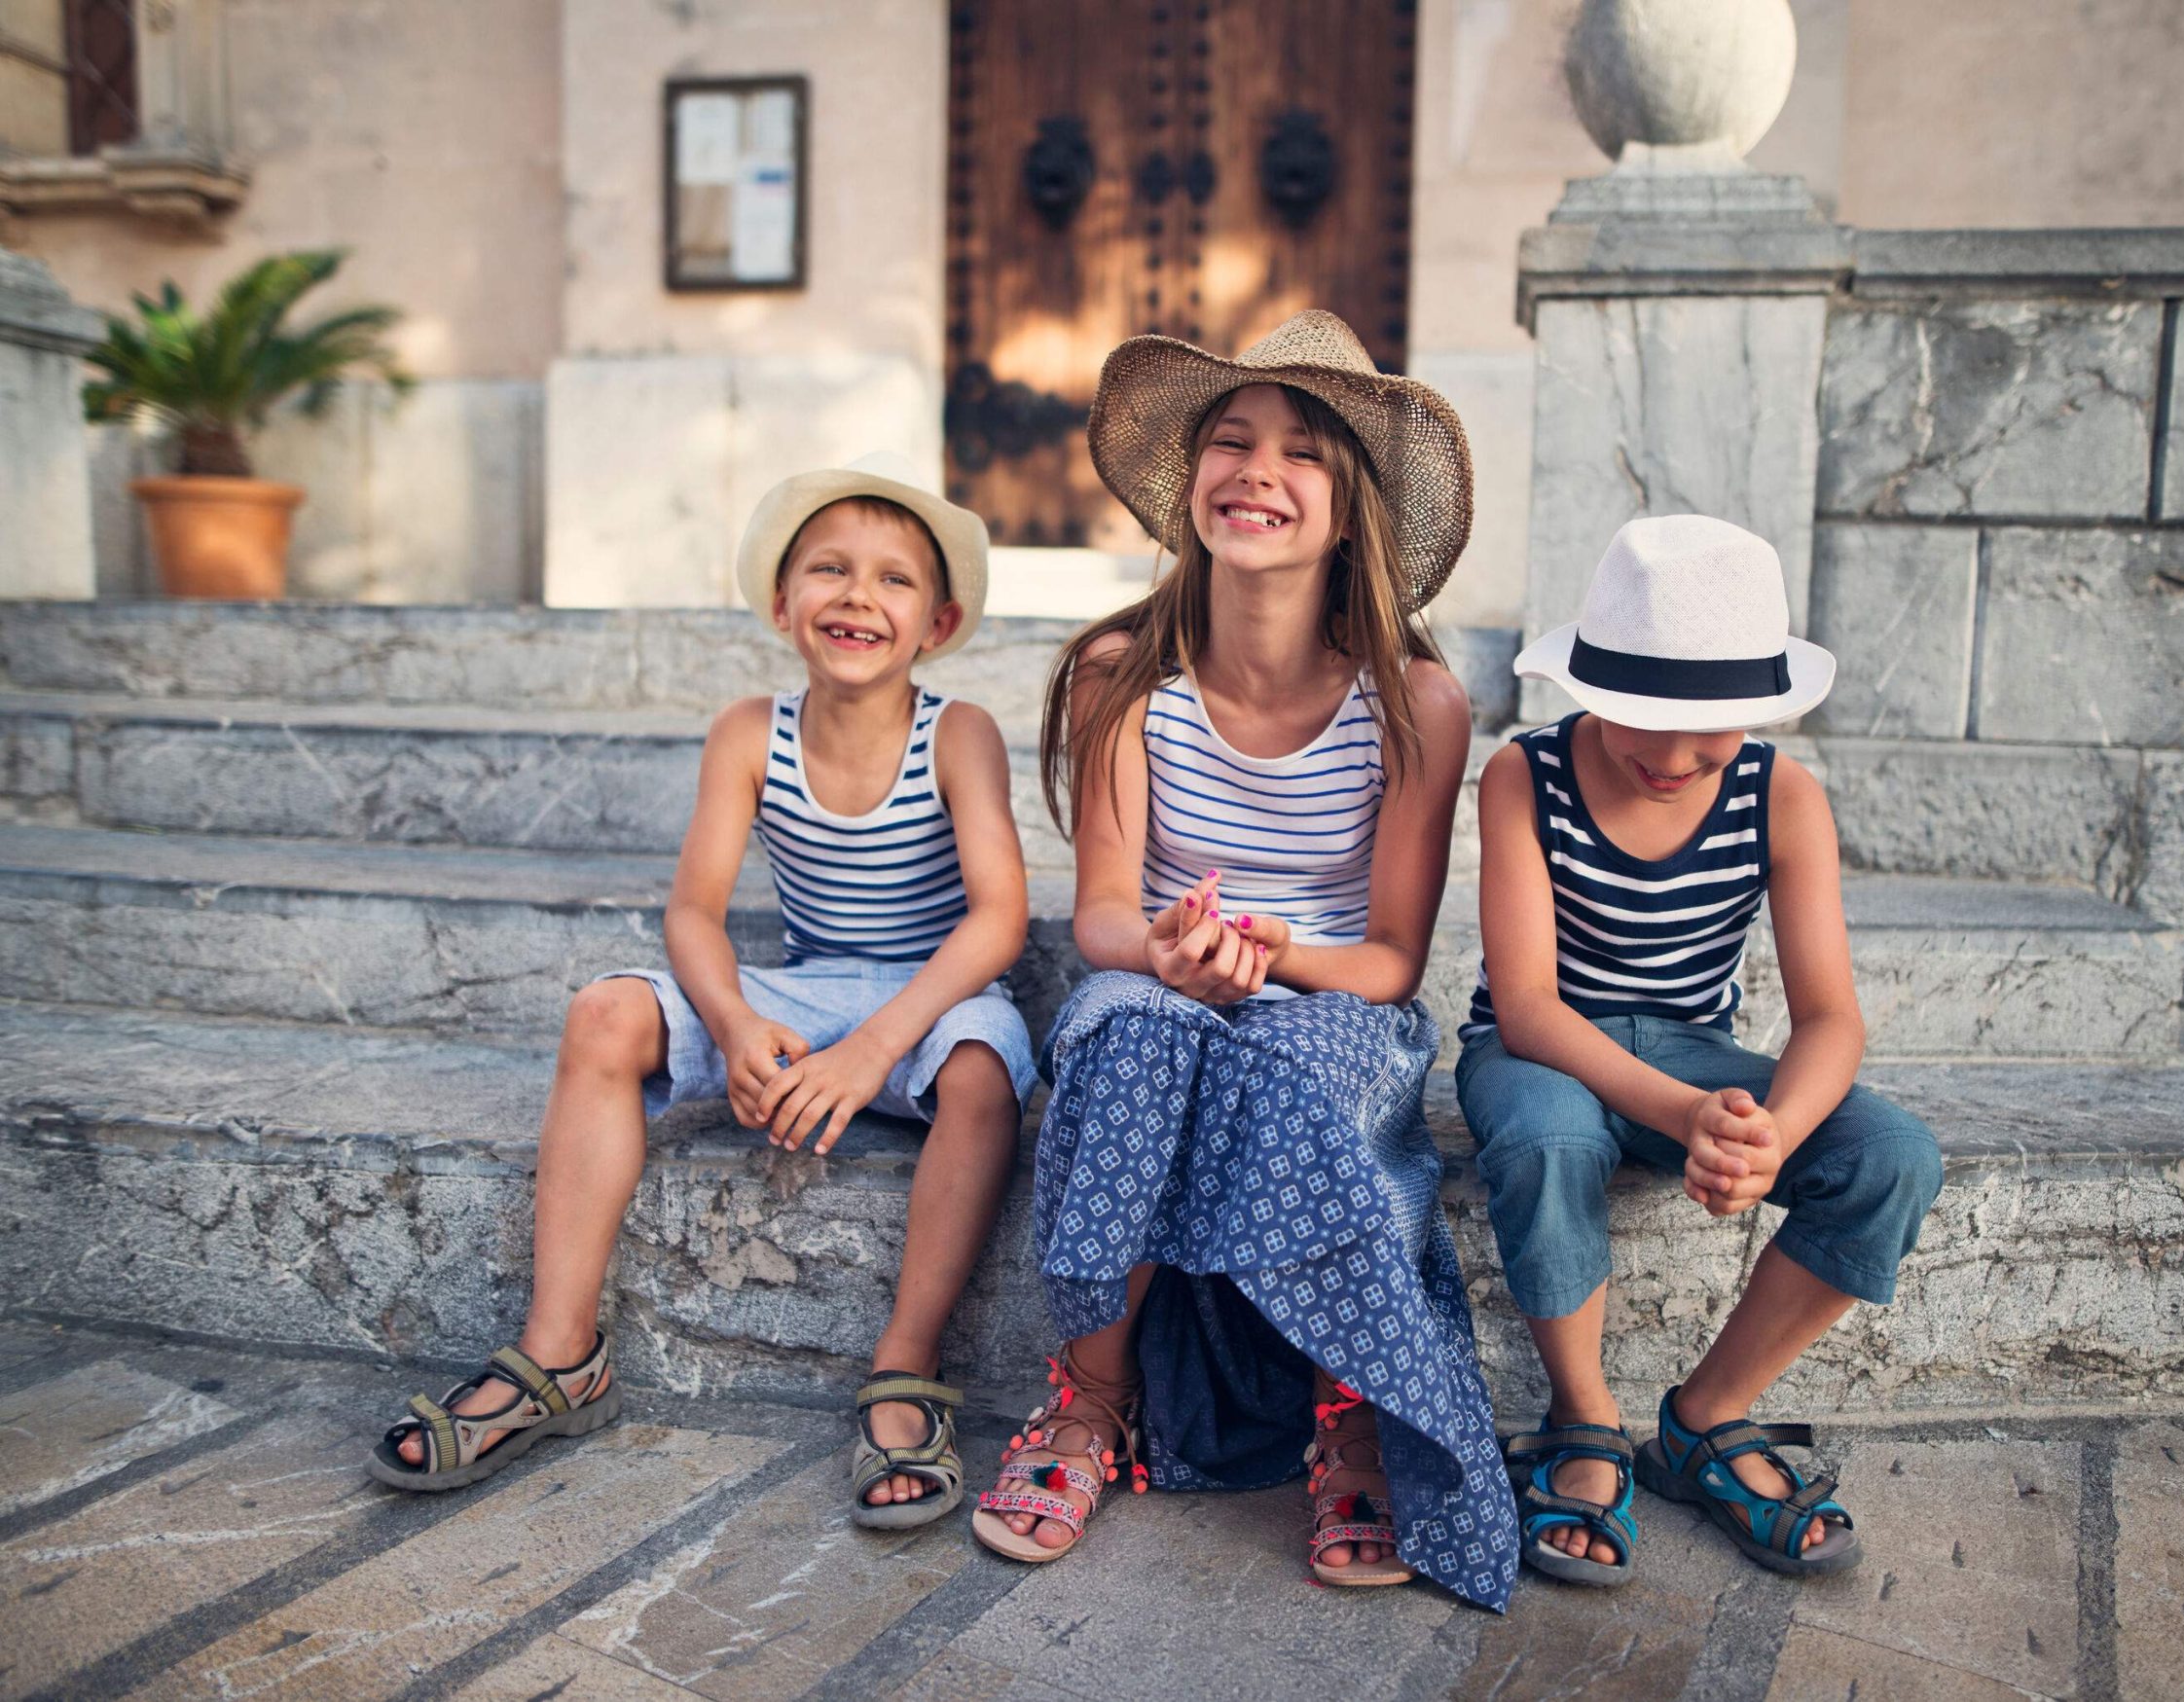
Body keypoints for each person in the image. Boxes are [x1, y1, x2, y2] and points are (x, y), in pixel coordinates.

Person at [368, 453, 1037, 1532]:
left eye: (893, 580)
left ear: (938, 626)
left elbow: (999, 920)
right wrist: (732, 1023)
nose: (857, 595)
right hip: (808, 986)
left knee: (979, 1071)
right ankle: (559, 1354)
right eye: (828, 569)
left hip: (933, 995)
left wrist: (871, 1052)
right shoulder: (747, 731)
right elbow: (693, 912)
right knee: (606, 1013)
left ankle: (904, 1368)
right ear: (782, 604)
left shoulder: (956, 733)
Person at [969, 311, 1517, 1611]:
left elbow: (1390, 960)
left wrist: (1278, 957)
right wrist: (1166, 948)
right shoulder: (1122, 672)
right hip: (1155, 971)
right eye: (1231, 440)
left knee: (1303, 1068)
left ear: (1349, 512)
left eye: (1300, 453)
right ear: (1190, 482)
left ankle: (1355, 1410)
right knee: (1126, 1036)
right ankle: (1091, 1399)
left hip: (1328, 985)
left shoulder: (1416, 703)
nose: (1256, 471)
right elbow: (1101, 913)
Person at [1458, 514, 1943, 1585]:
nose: (1672, 758)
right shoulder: (1520, 777)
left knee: (1894, 1156)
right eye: (1640, 719)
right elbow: (1530, 1006)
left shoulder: (1782, 796)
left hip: (1691, 1047)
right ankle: (1583, 1419)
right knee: (1546, 1140)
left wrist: (1770, 1134)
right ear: (1586, 687)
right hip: (1539, 1049)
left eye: (1709, 731)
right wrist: (1682, 1119)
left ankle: (1704, 1419)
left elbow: (1830, 1019)